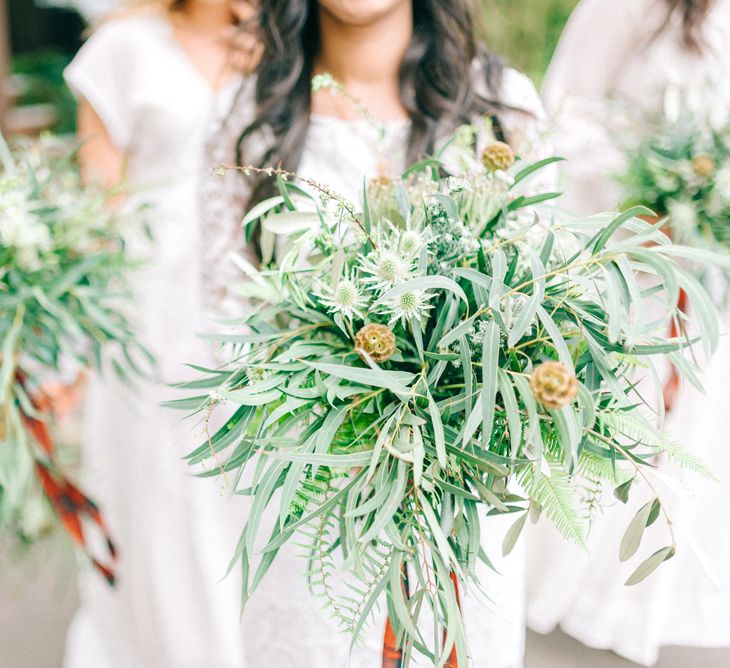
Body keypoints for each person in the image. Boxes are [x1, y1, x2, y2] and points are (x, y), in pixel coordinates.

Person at [203, 1, 555, 666]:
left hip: (462, 494)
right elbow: (226, 316)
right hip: (311, 499)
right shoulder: (245, 113)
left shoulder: (501, 104)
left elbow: (536, 311)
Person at [526, 1, 730, 665]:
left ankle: (660, 602)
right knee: (624, 431)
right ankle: (572, 595)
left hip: (715, 288)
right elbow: (567, 112)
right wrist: (648, 185)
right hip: (636, 271)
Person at [62, 1, 259, 666]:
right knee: (160, 485)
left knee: (238, 488)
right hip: (148, 302)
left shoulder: (280, 51)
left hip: (251, 298)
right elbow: (100, 205)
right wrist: (75, 344)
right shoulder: (123, 48)